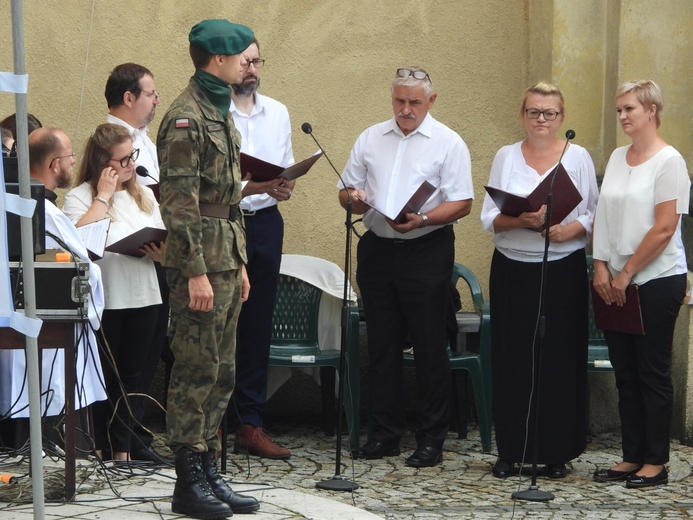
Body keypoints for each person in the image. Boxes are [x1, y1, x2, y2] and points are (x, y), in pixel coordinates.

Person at [340, 67, 474, 468]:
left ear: (431, 101)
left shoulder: (448, 143)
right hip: (378, 248)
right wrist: (354, 200)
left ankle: (432, 437)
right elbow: (346, 191)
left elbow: (462, 202)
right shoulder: (371, 137)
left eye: (414, 102)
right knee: (381, 344)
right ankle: (384, 434)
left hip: (426, 248)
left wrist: (426, 219)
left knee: (431, 345)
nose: (405, 109)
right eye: (399, 100)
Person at [156, 19, 259, 518]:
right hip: (199, 263)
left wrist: (238, 264)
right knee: (194, 371)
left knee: (222, 371)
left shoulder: (220, 112)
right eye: (243, 56)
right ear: (218, 60)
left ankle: (210, 470)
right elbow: (178, 205)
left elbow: (229, 199)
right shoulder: (185, 117)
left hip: (224, 256)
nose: (249, 63)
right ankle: (187, 481)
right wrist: (195, 270)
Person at [480, 82, 598, 479]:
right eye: (534, 112)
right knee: (513, 357)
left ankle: (556, 453)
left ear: (562, 118)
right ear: (522, 115)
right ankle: (511, 450)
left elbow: (595, 214)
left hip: (562, 268)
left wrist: (574, 230)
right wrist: (522, 221)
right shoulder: (505, 156)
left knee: (559, 359)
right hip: (513, 267)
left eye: (549, 113)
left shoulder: (578, 157)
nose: (541, 120)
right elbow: (489, 219)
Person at [591, 80, 689, 489]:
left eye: (629, 108)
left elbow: (665, 227)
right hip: (613, 280)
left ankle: (655, 461)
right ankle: (631, 456)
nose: (622, 116)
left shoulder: (670, 161)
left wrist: (626, 272)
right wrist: (599, 267)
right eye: (618, 110)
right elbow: (602, 215)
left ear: (651, 110)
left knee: (651, 371)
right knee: (625, 372)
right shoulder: (616, 156)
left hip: (654, 279)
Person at [62, 123, 164, 462]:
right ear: (104, 164)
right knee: (105, 374)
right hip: (108, 298)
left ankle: (123, 450)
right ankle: (99, 445)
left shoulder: (144, 194)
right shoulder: (79, 197)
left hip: (145, 294)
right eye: (123, 160)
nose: (130, 164)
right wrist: (103, 196)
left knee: (134, 376)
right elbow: (76, 242)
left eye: (132, 156)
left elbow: (163, 234)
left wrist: (162, 252)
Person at [0, 127, 107, 421]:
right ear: (54, 165)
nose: (74, 161)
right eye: (70, 155)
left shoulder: (10, 205)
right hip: (48, 333)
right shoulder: (48, 214)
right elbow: (82, 271)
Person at [229, 37, 293, 460]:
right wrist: (252, 185)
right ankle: (210, 423)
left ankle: (250, 423)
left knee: (257, 325)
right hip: (224, 222)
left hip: (266, 224)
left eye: (256, 61)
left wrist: (282, 185)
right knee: (218, 322)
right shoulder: (212, 112)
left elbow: (283, 166)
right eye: (245, 61)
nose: (252, 68)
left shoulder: (279, 111)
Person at [105, 62, 171, 465]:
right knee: (126, 362)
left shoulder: (143, 139)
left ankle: (135, 435)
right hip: (122, 269)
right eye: (150, 93)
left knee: (147, 357)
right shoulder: (112, 139)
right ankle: (121, 439)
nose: (157, 100)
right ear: (128, 98)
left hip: (151, 256)